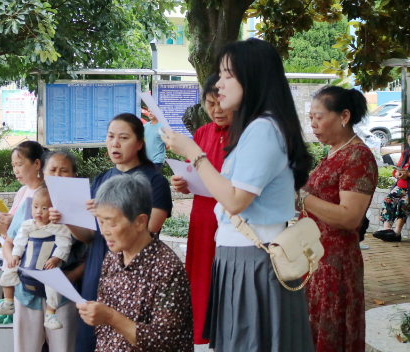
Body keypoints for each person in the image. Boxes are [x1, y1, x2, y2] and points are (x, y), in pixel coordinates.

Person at [161, 38, 315, 352]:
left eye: (227, 75)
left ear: (253, 79)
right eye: (220, 75)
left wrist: (194, 153)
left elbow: (234, 200)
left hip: (253, 257)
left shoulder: (263, 129)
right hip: (243, 254)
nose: (219, 84)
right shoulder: (260, 127)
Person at [69, 113, 172, 352]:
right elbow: (90, 236)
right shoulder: (101, 180)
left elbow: (148, 231)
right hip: (97, 270)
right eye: (110, 137)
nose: (115, 143)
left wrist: (109, 213)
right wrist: (67, 220)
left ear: (140, 143)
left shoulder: (155, 182)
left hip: (133, 276)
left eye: (124, 138)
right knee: (90, 340)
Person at [76, 173, 193, 352]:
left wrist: (110, 317)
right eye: (100, 222)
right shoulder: (112, 258)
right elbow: (104, 332)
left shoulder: (167, 268)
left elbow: (164, 342)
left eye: (112, 224)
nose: (104, 231)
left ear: (140, 221)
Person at [300, 86, 378, 352]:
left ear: (344, 116)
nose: (313, 124)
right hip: (316, 260)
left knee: (331, 335)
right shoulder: (335, 151)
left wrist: (300, 197)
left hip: (336, 265)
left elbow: (350, 217)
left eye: (319, 117)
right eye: (310, 117)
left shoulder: (358, 156)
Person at [170, 73, 232, 345]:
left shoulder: (245, 135)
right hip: (202, 216)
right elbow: (193, 173)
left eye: (221, 103)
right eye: (210, 103)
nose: (216, 110)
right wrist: (183, 184)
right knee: (201, 275)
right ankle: (203, 333)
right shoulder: (201, 133)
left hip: (231, 216)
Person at [7, 150, 86, 352]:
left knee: (63, 348)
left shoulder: (83, 208)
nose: (58, 175)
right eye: (52, 170)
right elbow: (9, 242)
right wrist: (14, 267)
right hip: (26, 291)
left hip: (63, 292)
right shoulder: (30, 205)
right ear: (43, 173)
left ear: (74, 175)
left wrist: (72, 276)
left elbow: (95, 252)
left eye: (64, 170)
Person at [0, 188, 72, 330]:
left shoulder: (59, 228)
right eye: (35, 207)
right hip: (27, 263)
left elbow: (64, 245)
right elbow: (19, 242)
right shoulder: (27, 224)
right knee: (9, 269)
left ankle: (51, 313)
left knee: (54, 284)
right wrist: (15, 256)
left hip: (48, 266)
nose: (38, 212)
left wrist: (55, 259)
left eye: (44, 208)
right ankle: (8, 301)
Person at [0, 141, 47, 237]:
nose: (15, 171)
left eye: (19, 165)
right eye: (13, 166)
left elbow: (42, 231)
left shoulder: (46, 195)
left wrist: (14, 222)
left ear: (37, 164)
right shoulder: (22, 191)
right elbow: (9, 232)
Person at [374, 133, 410, 242]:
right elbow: (396, 170)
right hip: (401, 186)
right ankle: (387, 229)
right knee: (388, 200)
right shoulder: (406, 153)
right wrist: (398, 174)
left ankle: (397, 233)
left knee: (403, 203)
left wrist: (408, 174)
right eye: (409, 138)